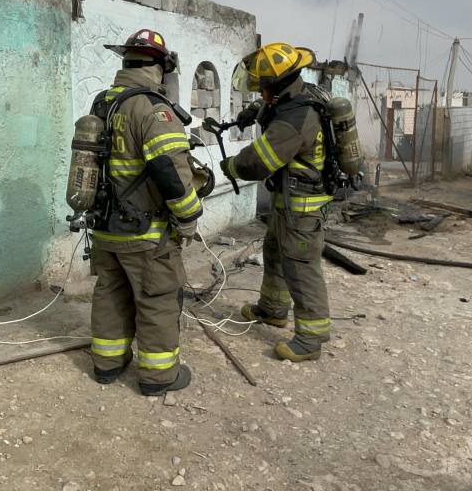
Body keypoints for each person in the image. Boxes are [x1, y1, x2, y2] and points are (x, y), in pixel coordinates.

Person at [87, 29, 202, 396]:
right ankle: (158, 376)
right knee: (157, 299)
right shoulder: (153, 108)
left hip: (103, 227)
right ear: (160, 67)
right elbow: (170, 171)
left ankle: (107, 364)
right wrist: (188, 218)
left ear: (126, 63)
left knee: (111, 292)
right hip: (145, 232)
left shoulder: (103, 103)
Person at [220, 42, 333, 363]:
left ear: (277, 86)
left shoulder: (297, 118)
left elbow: (258, 162)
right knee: (275, 250)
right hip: (288, 199)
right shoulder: (297, 95)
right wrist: (251, 112)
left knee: (300, 265)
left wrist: (230, 166)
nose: (261, 92)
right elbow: (272, 108)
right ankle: (272, 310)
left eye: (263, 88)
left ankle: (310, 338)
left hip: (303, 204)